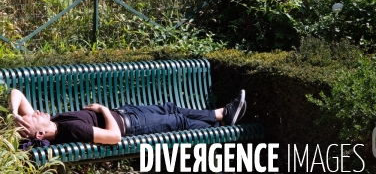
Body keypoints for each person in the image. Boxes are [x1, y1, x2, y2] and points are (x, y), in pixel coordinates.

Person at [11, 88, 247, 145]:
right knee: (178, 121)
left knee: (171, 108)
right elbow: (114, 137)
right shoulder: (71, 130)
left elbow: (17, 93)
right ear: (40, 133)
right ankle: (224, 120)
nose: (35, 113)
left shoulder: (50, 122)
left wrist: (14, 114)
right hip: (132, 125)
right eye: (32, 118)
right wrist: (104, 110)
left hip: (128, 113)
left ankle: (221, 114)